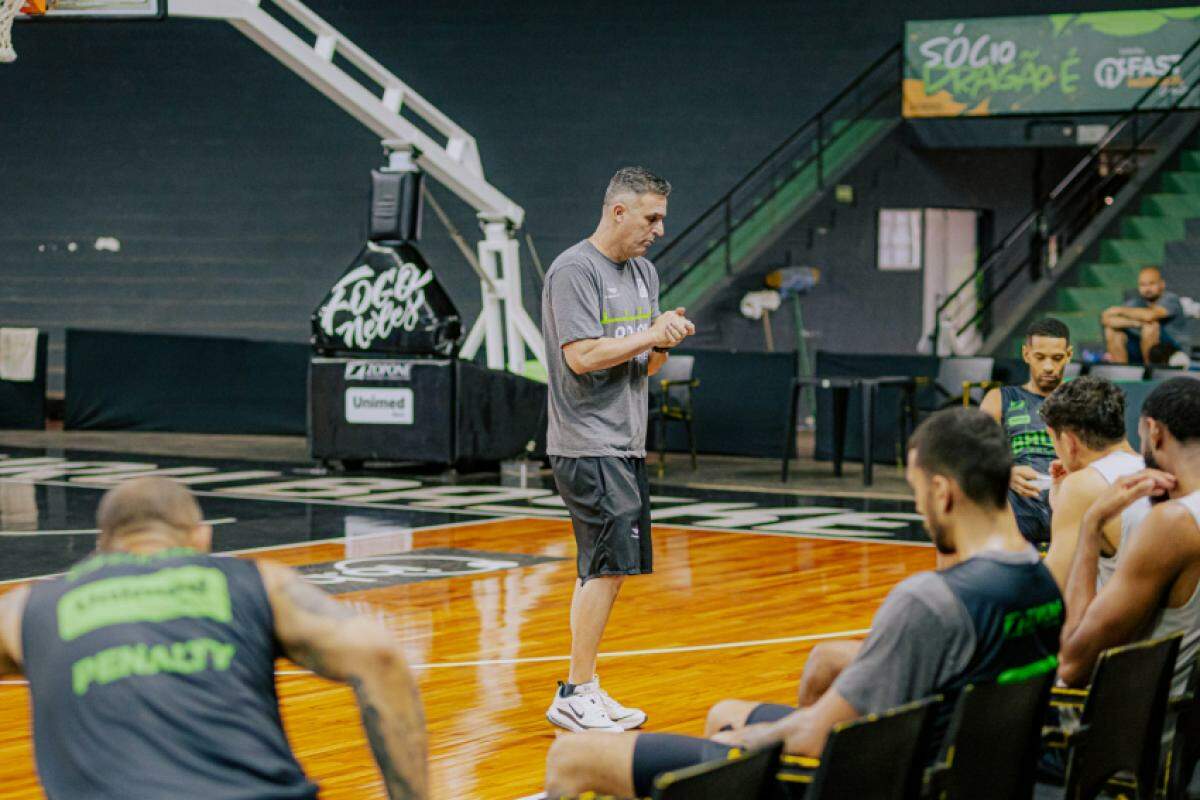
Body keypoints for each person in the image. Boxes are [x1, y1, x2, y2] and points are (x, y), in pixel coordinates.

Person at [542, 408, 1062, 799]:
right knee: (724, 713)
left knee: (573, 755)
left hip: (878, 782)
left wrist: (755, 739)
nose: (921, 510)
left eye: (918, 494)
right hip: (959, 772)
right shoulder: (1041, 581)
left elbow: (814, 737)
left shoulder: (930, 601)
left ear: (945, 493)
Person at [0, 477, 428, 800]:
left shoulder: (30, 608)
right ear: (201, 538)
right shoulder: (258, 583)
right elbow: (381, 657)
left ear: (103, 546)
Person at [541, 166, 695, 733]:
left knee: (607, 567)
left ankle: (584, 687)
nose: (658, 229)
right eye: (651, 218)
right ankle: (576, 692)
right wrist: (649, 334)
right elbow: (580, 356)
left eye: (662, 219)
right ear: (618, 212)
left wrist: (663, 339)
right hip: (586, 443)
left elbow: (643, 365)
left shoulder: (644, 272)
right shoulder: (573, 270)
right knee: (606, 566)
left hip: (625, 442)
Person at [1059, 378, 1200, 697]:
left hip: (1119, 735)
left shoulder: (1174, 522)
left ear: (1154, 431)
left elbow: (1072, 665)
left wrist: (1091, 525)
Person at [1039, 376, 1146, 588]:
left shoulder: (1082, 485)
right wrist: (1061, 505)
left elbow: (1051, 590)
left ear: (1069, 442)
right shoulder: (1157, 469)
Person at [980, 317, 1074, 544]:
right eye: (1040, 357)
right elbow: (972, 452)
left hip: (1069, 500)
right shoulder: (999, 399)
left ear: (1069, 355)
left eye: (1057, 358)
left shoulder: (1081, 400)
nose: (1049, 367)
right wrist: (1006, 473)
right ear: (1026, 354)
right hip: (1015, 501)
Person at [1101, 265, 1191, 365]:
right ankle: (1121, 372)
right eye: (1143, 285)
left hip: (1171, 351)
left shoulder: (1170, 299)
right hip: (1140, 349)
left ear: (1162, 284)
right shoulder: (1134, 303)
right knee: (1112, 330)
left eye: (1151, 283)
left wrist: (1118, 310)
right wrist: (1135, 323)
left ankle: (1151, 372)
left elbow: (1150, 316)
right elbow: (1106, 319)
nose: (1147, 289)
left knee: (1150, 326)